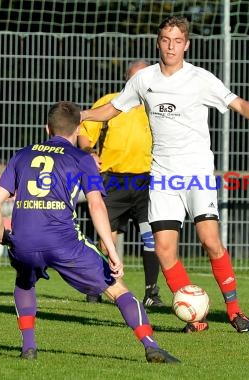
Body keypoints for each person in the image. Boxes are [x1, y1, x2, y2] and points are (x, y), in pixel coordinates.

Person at [80, 15, 249, 333]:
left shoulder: (199, 79)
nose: (171, 46)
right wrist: (80, 114)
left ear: (187, 45)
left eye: (177, 40)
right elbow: (114, 108)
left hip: (196, 173)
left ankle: (235, 312)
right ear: (158, 42)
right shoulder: (143, 80)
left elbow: (236, 103)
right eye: (166, 39)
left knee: (211, 242)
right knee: (165, 250)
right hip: (163, 176)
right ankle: (196, 319)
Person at [0, 101, 179, 363]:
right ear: (78, 129)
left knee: (24, 278)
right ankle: (151, 345)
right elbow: (97, 205)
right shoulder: (81, 158)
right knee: (117, 289)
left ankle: (28, 346)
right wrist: (112, 251)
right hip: (63, 241)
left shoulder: (22, 154)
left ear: (47, 128)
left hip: (25, 240)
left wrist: (3, 237)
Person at [79, 60, 163, 307]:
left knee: (151, 238)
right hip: (112, 179)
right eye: (135, 79)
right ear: (128, 80)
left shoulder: (156, 105)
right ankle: (98, 285)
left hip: (145, 180)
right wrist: (89, 151)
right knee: (107, 240)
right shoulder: (111, 102)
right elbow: (86, 131)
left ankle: (151, 293)